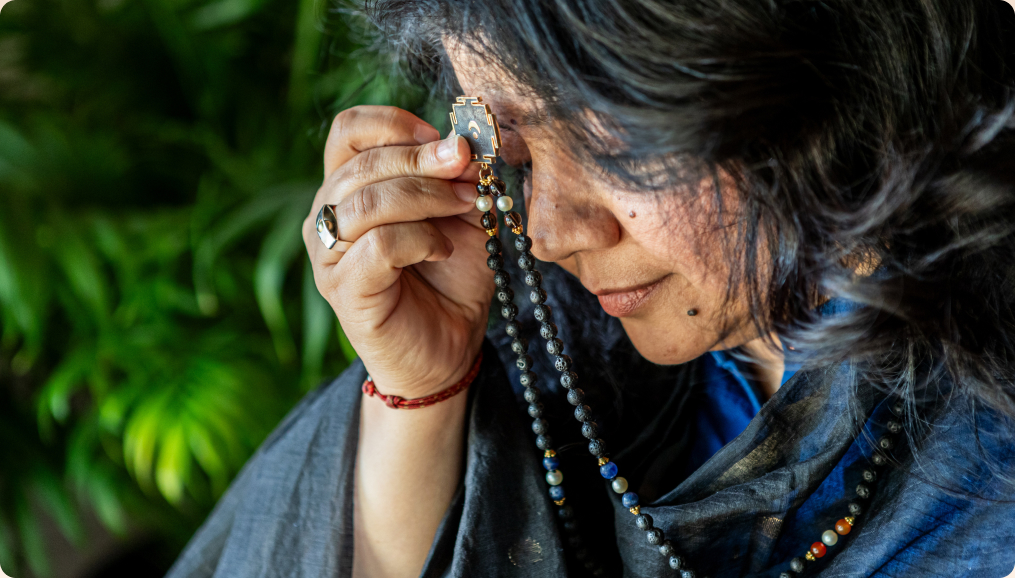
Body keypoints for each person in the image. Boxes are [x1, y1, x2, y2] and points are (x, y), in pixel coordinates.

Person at [165, 0, 1015, 576]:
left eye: (615, 145)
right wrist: (420, 398)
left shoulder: (987, 450)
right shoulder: (545, 345)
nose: (548, 232)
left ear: (823, 79)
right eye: (517, 159)